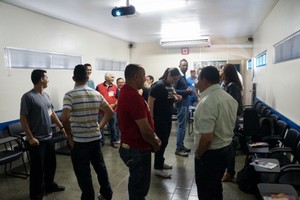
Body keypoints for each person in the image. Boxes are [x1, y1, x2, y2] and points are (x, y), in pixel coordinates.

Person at [61, 64, 114, 200]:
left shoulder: (69, 95)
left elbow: (65, 118)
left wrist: (69, 136)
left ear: (74, 78)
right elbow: (110, 111)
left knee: (83, 172)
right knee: (100, 168)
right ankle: (107, 193)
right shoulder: (96, 94)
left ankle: (88, 197)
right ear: (87, 77)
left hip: (79, 142)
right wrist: (100, 126)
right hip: (95, 139)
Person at [20, 69, 66, 200]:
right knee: (37, 170)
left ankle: (50, 185)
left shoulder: (46, 96)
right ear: (41, 79)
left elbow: (52, 114)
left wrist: (61, 127)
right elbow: (23, 118)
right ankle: (36, 194)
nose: (48, 79)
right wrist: (30, 137)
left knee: (51, 165)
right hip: (37, 141)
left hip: (49, 138)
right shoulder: (28, 97)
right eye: (46, 77)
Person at [117, 64, 161, 200]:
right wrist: (155, 143)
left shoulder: (127, 91)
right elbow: (145, 130)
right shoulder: (132, 96)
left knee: (136, 184)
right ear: (136, 77)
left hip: (132, 146)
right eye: (143, 77)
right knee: (139, 188)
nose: (145, 80)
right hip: (137, 149)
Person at [194, 66, 238, 200]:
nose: (196, 83)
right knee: (216, 188)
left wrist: (199, 154)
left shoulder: (207, 102)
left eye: (198, 79)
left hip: (209, 155)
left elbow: (207, 138)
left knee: (206, 191)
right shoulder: (229, 98)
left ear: (205, 80)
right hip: (225, 151)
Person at [148, 68, 182, 178]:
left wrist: (177, 98)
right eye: (173, 78)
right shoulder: (158, 85)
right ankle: (158, 168)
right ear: (168, 74)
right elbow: (150, 101)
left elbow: (172, 99)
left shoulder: (169, 86)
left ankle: (160, 162)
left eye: (176, 80)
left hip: (167, 118)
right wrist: (151, 118)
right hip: (159, 119)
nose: (174, 81)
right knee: (160, 142)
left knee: (165, 141)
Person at [220, 63, 243, 182]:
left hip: (231, 119)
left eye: (222, 70)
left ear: (227, 72)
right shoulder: (226, 84)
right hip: (227, 118)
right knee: (227, 144)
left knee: (230, 145)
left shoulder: (233, 86)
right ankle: (227, 169)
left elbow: (231, 105)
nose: (221, 72)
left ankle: (230, 171)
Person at [173, 58, 193, 157]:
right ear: (179, 66)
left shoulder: (183, 76)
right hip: (181, 104)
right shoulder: (179, 77)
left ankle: (181, 145)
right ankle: (178, 148)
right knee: (181, 127)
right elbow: (173, 90)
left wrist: (186, 90)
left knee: (184, 127)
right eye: (183, 65)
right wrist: (187, 92)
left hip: (185, 103)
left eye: (186, 65)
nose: (185, 67)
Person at [96, 73, 120, 148]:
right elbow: (95, 97)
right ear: (106, 78)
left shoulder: (115, 87)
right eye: (112, 77)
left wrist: (115, 104)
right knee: (101, 127)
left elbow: (119, 98)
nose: (113, 78)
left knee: (113, 127)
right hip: (101, 111)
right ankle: (101, 142)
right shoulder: (99, 86)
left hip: (113, 111)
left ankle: (113, 141)